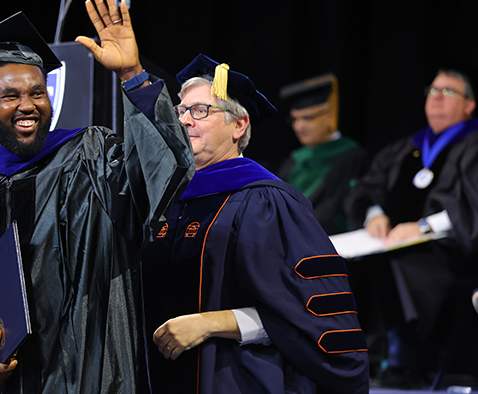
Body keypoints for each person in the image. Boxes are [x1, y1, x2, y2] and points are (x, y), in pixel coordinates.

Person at [0, 0, 194, 393]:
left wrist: (133, 77)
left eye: (37, 92)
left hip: (96, 371)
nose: (28, 105)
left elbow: (162, 175)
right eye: (11, 96)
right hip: (12, 381)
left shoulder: (91, 155)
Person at [140, 54, 370, 393]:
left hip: (237, 376)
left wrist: (213, 322)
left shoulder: (266, 202)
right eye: (182, 111)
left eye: (201, 110)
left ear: (239, 125)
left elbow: (306, 315)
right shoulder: (169, 200)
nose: (186, 121)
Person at [345, 68, 478, 387]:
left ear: (469, 105)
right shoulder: (405, 148)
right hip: (388, 242)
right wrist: (375, 214)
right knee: (342, 265)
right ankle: (347, 358)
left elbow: (473, 205)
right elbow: (367, 189)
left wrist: (424, 227)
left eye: (448, 92)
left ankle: (404, 361)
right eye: (432, 90)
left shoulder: (473, 146)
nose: (436, 97)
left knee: (399, 263)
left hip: (452, 251)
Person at [277, 73, 369, 235]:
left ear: (328, 115)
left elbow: (333, 212)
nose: (299, 126)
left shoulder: (352, 157)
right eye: (295, 119)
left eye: (307, 118)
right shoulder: (293, 161)